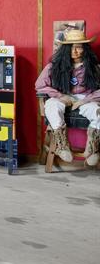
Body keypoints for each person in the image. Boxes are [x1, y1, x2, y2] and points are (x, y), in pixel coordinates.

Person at [35, 28, 100, 165]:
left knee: (97, 111)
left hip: (85, 99)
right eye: (71, 48)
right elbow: (40, 85)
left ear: (85, 49)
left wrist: (84, 101)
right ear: (65, 49)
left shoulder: (94, 67)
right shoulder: (54, 66)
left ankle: (93, 149)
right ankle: (62, 146)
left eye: (78, 48)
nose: (74, 51)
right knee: (52, 105)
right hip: (62, 97)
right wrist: (61, 96)